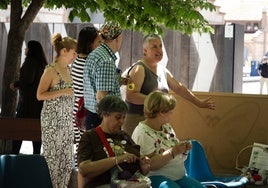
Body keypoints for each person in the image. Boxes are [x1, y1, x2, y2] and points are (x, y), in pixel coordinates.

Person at [122, 34, 215, 136]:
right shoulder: (139, 69)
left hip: (158, 122)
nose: (159, 50)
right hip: (137, 121)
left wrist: (198, 103)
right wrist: (158, 101)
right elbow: (131, 96)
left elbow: (179, 88)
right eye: (154, 47)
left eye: (160, 46)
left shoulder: (163, 70)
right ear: (145, 51)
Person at [132, 91, 205, 188]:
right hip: (155, 177)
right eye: (170, 111)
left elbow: (176, 152)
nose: (172, 113)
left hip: (178, 176)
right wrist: (173, 151)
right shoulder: (142, 133)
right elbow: (150, 165)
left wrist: (184, 150)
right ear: (161, 112)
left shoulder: (166, 127)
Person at [77, 95, 151, 188]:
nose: (122, 121)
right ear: (104, 114)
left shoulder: (124, 136)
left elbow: (138, 169)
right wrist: (117, 159)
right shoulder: (90, 137)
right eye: (118, 117)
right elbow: (84, 169)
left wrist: (144, 167)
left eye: (124, 117)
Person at [36, 33, 77, 188]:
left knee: (66, 161)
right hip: (52, 122)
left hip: (66, 122)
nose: (74, 56)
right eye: (73, 53)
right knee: (52, 160)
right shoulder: (51, 70)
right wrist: (62, 92)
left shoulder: (69, 70)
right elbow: (40, 95)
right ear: (64, 51)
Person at [71, 26, 102, 166]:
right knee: (89, 151)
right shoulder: (89, 64)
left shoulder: (76, 62)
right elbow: (97, 91)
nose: (101, 46)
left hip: (77, 110)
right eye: (98, 42)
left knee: (81, 148)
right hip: (87, 111)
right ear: (90, 43)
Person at [83, 21, 123, 130]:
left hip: (93, 115)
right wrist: (110, 123)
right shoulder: (106, 60)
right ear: (118, 38)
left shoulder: (96, 53)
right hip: (101, 119)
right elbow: (101, 96)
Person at [10, 40, 48, 154]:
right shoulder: (42, 64)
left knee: (18, 131)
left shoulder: (31, 62)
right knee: (36, 133)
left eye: (27, 48)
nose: (25, 50)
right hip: (38, 104)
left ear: (31, 50)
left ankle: (14, 155)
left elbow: (28, 80)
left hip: (27, 104)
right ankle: (36, 157)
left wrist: (16, 84)